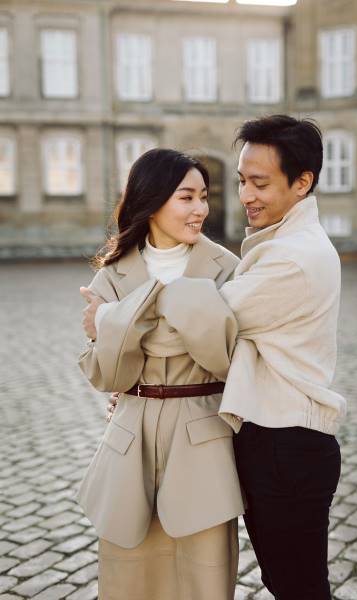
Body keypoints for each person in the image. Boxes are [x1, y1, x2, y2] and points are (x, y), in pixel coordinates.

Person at [77, 148, 243, 600]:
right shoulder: (111, 273)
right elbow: (107, 372)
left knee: (204, 579)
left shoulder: (227, 267)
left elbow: (222, 354)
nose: (201, 209)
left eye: (204, 197)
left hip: (202, 435)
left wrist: (116, 321)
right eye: (186, 197)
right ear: (151, 200)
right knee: (130, 578)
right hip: (130, 437)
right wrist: (181, 314)